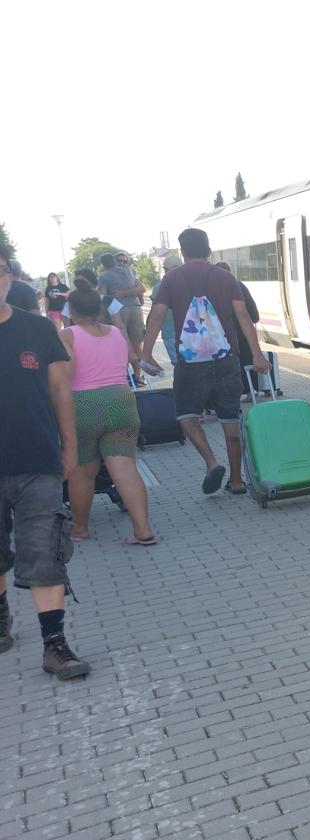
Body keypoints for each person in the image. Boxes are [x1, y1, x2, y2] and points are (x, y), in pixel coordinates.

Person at [0, 248, 91, 679]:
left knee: (46, 551)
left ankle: (54, 645)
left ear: (9, 278)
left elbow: (60, 390)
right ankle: (1, 619)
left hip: (37, 458)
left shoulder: (37, 329)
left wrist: (70, 446)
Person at [141, 228, 270, 495]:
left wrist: (146, 352)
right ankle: (236, 481)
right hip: (226, 358)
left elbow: (155, 317)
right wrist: (257, 354)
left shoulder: (171, 279)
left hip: (190, 362)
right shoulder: (226, 278)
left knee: (187, 415)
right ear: (208, 249)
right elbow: (243, 316)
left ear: (183, 251)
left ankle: (212, 462)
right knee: (230, 419)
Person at [59, 288, 155, 545]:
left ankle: (80, 529)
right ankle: (143, 530)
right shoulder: (116, 333)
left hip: (84, 405)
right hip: (122, 401)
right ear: (100, 309)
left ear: (72, 310)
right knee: (124, 468)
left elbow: (64, 376)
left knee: (83, 472)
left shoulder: (67, 335)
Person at [215, 262, 263, 399]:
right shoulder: (239, 286)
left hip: (223, 336)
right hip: (243, 334)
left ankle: (231, 394)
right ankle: (251, 390)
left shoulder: (213, 289)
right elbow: (253, 314)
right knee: (247, 360)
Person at [98, 253, 147, 384]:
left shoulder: (104, 276)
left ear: (103, 265)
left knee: (122, 344)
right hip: (136, 309)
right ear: (114, 261)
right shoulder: (129, 271)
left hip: (119, 310)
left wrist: (101, 314)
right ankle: (138, 375)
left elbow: (102, 296)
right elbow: (142, 288)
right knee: (137, 343)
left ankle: (123, 376)